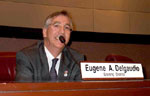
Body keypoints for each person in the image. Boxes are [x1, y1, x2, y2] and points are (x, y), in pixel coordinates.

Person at [15, 10, 84, 82]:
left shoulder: (76, 59)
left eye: (66, 27)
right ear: (45, 32)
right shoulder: (27, 57)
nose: (62, 31)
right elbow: (24, 91)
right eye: (56, 26)